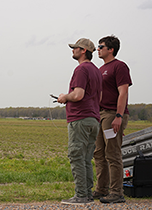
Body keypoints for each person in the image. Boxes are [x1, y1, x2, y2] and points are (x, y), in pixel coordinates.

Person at [57, 38, 103, 205]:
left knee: (76, 156)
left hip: (80, 119)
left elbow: (78, 95)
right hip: (93, 119)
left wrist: (64, 97)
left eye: (75, 48)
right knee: (86, 158)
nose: (72, 50)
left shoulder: (81, 69)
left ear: (83, 50)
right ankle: (88, 194)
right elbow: (100, 97)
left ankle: (81, 195)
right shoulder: (96, 71)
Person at [93, 35, 132, 204]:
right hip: (100, 115)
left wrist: (119, 116)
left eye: (101, 46)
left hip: (112, 115)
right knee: (99, 153)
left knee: (112, 153)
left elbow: (123, 92)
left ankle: (117, 192)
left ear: (111, 49)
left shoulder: (119, 66)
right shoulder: (100, 69)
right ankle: (101, 189)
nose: (98, 49)